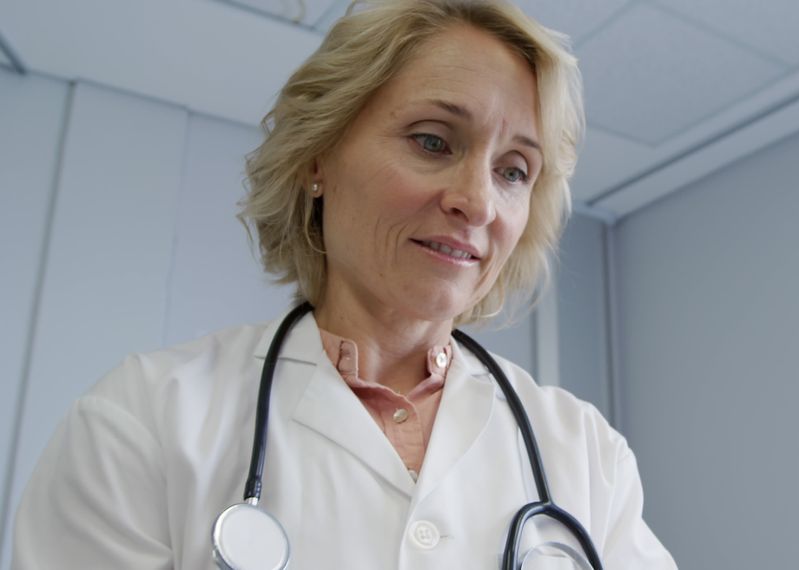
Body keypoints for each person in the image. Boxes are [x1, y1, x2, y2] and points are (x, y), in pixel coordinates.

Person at [12, 1, 677, 568]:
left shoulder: (587, 455)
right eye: (433, 141)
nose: (477, 201)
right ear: (318, 158)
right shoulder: (145, 420)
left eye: (514, 171)